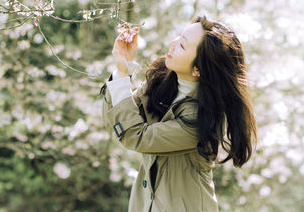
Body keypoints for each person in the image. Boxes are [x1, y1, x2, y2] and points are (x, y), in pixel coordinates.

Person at [99, 14, 257, 212]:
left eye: (182, 45)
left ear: (198, 70)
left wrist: (123, 77)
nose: (172, 44)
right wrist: (123, 67)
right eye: (178, 36)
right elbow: (118, 120)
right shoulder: (160, 80)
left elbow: (135, 136)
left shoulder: (200, 118)